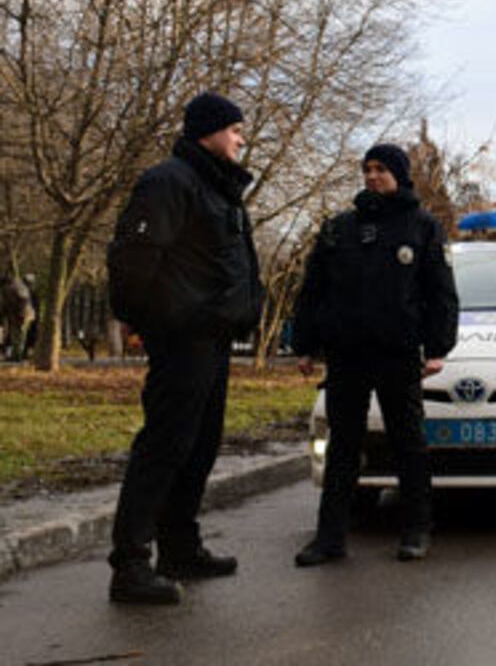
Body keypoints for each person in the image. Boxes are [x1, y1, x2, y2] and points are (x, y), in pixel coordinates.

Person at [105, 92, 263, 605]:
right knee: (165, 446)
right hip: (182, 339)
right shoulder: (169, 182)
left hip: (213, 338)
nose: (242, 138)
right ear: (209, 131)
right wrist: (159, 323)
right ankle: (130, 565)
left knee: (200, 444)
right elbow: (133, 263)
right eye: (235, 128)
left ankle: (179, 546)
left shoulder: (217, 188)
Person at [292, 143, 459, 567]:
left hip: (397, 351)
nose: (372, 176)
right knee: (343, 445)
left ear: (400, 176)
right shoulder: (341, 228)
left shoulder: (421, 227)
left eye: (381, 169)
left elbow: (440, 292)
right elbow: (314, 289)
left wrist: (437, 347)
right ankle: (330, 537)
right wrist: (306, 343)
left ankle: (416, 529)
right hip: (347, 351)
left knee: (408, 443)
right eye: (367, 169)